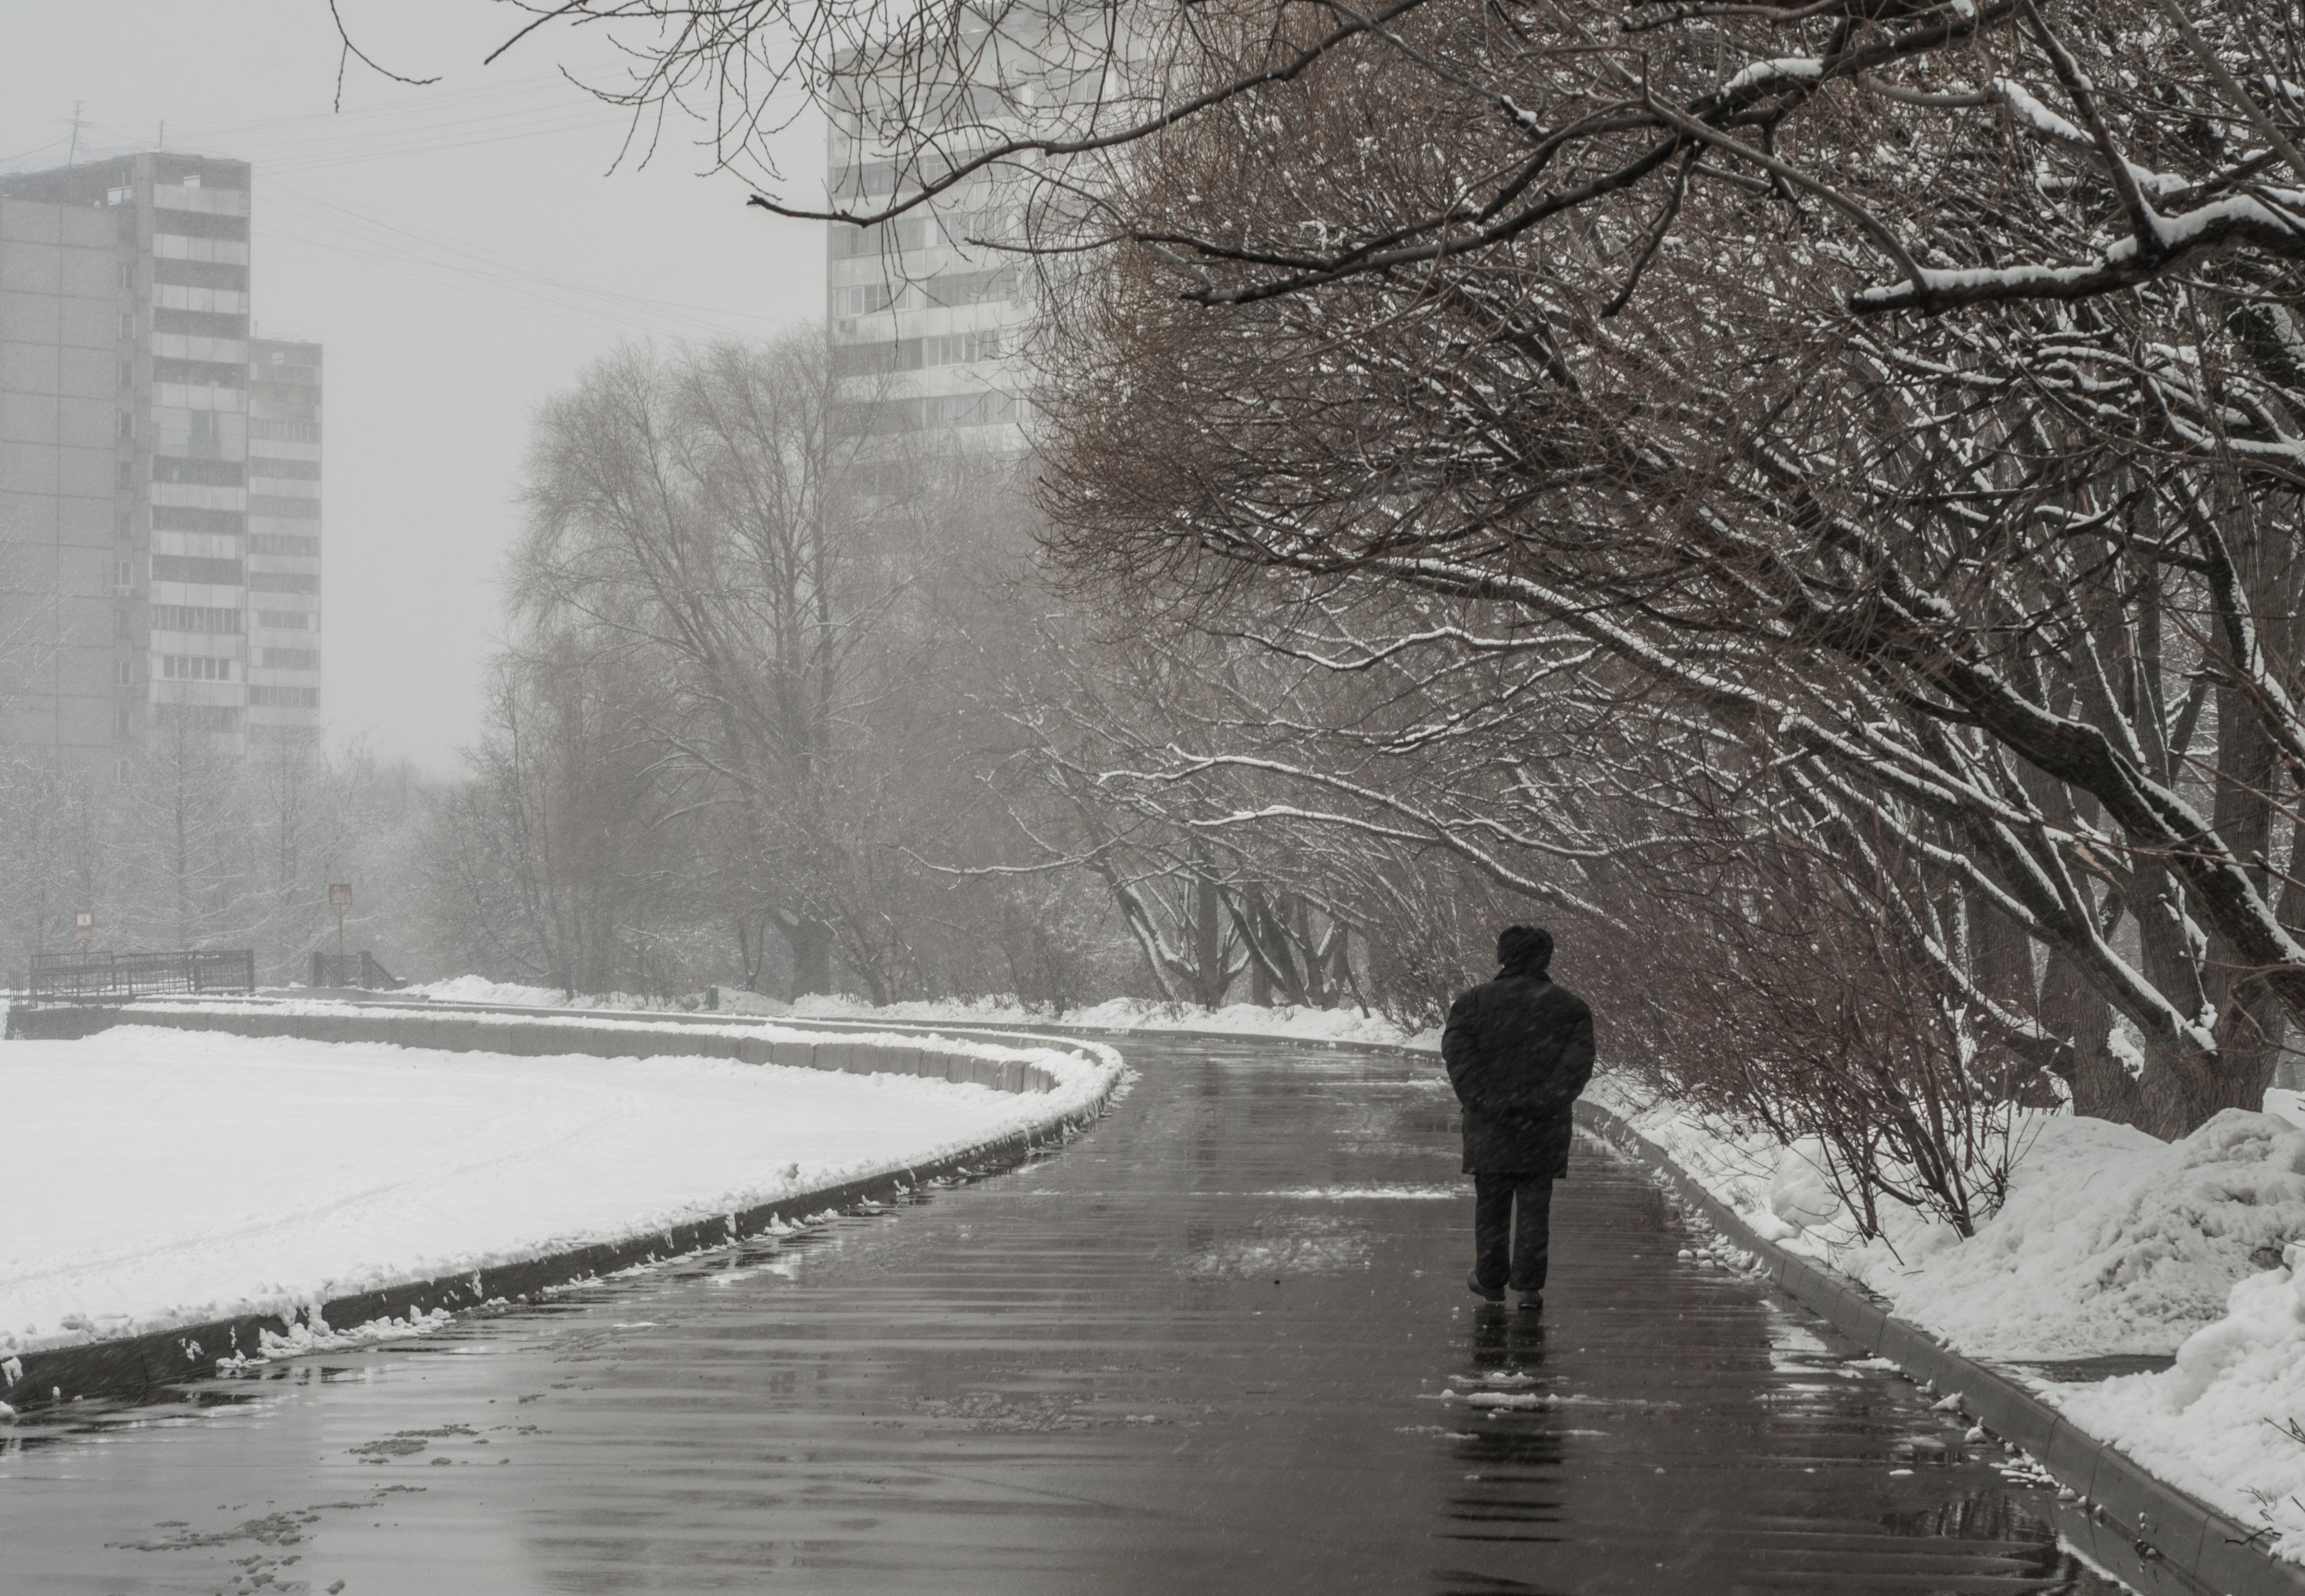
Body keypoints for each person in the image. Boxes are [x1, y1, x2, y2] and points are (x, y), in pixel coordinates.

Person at [1441, 924, 1596, 1313]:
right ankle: (1528, 1287)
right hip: (1542, 1128)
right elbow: (1575, 1069)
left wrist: (1487, 1101)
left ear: (1502, 956)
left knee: (1490, 1204)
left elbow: (1460, 1061)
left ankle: (1490, 1280)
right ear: (1546, 958)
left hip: (1489, 1125)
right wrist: (1538, 1103)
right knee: (1534, 1205)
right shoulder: (1571, 1008)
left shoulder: (1472, 1004)